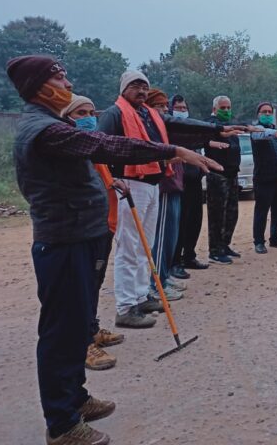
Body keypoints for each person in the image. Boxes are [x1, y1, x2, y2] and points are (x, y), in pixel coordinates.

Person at [6, 55, 222, 445]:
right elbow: (107, 145)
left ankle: (76, 398)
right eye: (59, 76)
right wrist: (171, 152)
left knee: (77, 326)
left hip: (80, 235)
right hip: (64, 240)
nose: (67, 81)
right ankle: (62, 424)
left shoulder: (53, 124)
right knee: (62, 333)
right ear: (40, 85)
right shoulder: (45, 130)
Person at [98, 73, 245, 328]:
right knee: (129, 246)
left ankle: (141, 296)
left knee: (147, 244)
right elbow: (100, 148)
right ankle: (125, 306)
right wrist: (110, 178)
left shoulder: (150, 115)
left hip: (153, 182)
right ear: (123, 89)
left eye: (145, 87)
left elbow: (183, 128)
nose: (141, 91)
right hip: (129, 183)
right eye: (135, 86)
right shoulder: (114, 114)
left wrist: (218, 129)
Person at [62, 95, 124, 372]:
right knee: (80, 287)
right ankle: (82, 343)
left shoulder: (92, 147)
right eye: (80, 113)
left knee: (95, 282)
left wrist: (115, 182)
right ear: (67, 118)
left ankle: (92, 328)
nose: (88, 117)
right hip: (83, 227)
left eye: (90, 112)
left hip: (104, 223)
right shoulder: (68, 149)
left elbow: (102, 175)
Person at [145, 88, 186, 302]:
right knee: (161, 237)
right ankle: (156, 283)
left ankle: (164, 275)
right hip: (164, 186)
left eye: (164, 106)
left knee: (171, 236)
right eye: (157, 106)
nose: (162, 110)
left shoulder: (164, 128)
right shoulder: (149, 129)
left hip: (175, 185)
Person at [170, 94, 209, 274]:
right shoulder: (171, 133)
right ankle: (175, 261)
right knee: (180, 223)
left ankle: (189, 256)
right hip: (179, 183)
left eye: (184, 109)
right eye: (178, 108)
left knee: (195, 220)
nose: (182, 112)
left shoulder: (191, 133)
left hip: (195, 182)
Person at [204, 95, 242, 264]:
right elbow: (206, 142)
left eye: (228, 108)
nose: (226, 111)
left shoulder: (230, 127)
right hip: (217, 176)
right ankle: (215, 250)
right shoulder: (210, 126)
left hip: (232, 175)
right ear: (214, 110)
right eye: (223, 108)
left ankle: (225, 244)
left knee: (232, 213)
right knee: (217, 215)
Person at [250, 101, 277, 254]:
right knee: (262, 211)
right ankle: (259, 242)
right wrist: (272, 133)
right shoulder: (256, 130)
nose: (267, 114)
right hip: (264, 178)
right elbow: (260, 136)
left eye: (269, 112)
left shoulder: (276, 130)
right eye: (264, 112)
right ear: (258, 115)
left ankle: (275, 238)